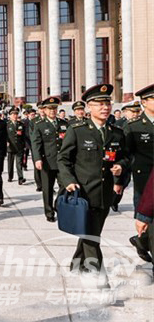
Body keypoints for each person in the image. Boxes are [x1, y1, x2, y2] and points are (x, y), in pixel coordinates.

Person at [57, 84, 129, 288]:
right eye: (99, 103)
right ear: (89, 107)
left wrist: (120, 168)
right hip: (84, 193)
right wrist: (68, 180)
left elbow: (124, 158)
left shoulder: (116, 133)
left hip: (105, 194)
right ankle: (100, 281)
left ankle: (76, 263)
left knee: (92, 232)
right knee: (91, 236)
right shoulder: (77, 131)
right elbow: (63, 159)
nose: (105, 107)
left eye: (107, 103)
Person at [124, 84, 154, 270]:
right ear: (144, 102)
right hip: (144, 183)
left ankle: (141, 242)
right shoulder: (134, 126)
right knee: (147, 221)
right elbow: (126, 155)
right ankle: (142, 241)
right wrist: (120, 181)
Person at [31, 97, 68, 222]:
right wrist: (37, 159)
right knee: (47, 188)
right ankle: (49, 212)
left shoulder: (64, 124)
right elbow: (36, 144)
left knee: (65, 185)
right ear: (44, 110)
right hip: (47, 161)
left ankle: (57, 204)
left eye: (54, 108)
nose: (52, 111)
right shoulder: (39, 125)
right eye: (50, 108)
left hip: (62, 162)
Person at [6, 107, 26, 184]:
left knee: (19, 163)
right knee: (10, 163)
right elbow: (4, 135)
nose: (15, 116)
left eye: (16, 114)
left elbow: (23, 136)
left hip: (19, 147)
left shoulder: (21, 124)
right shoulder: (7, 124)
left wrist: (24, 146)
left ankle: (20, 178)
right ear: (10, 116)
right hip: (10, 146)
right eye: (13, 114)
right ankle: (10, 176)